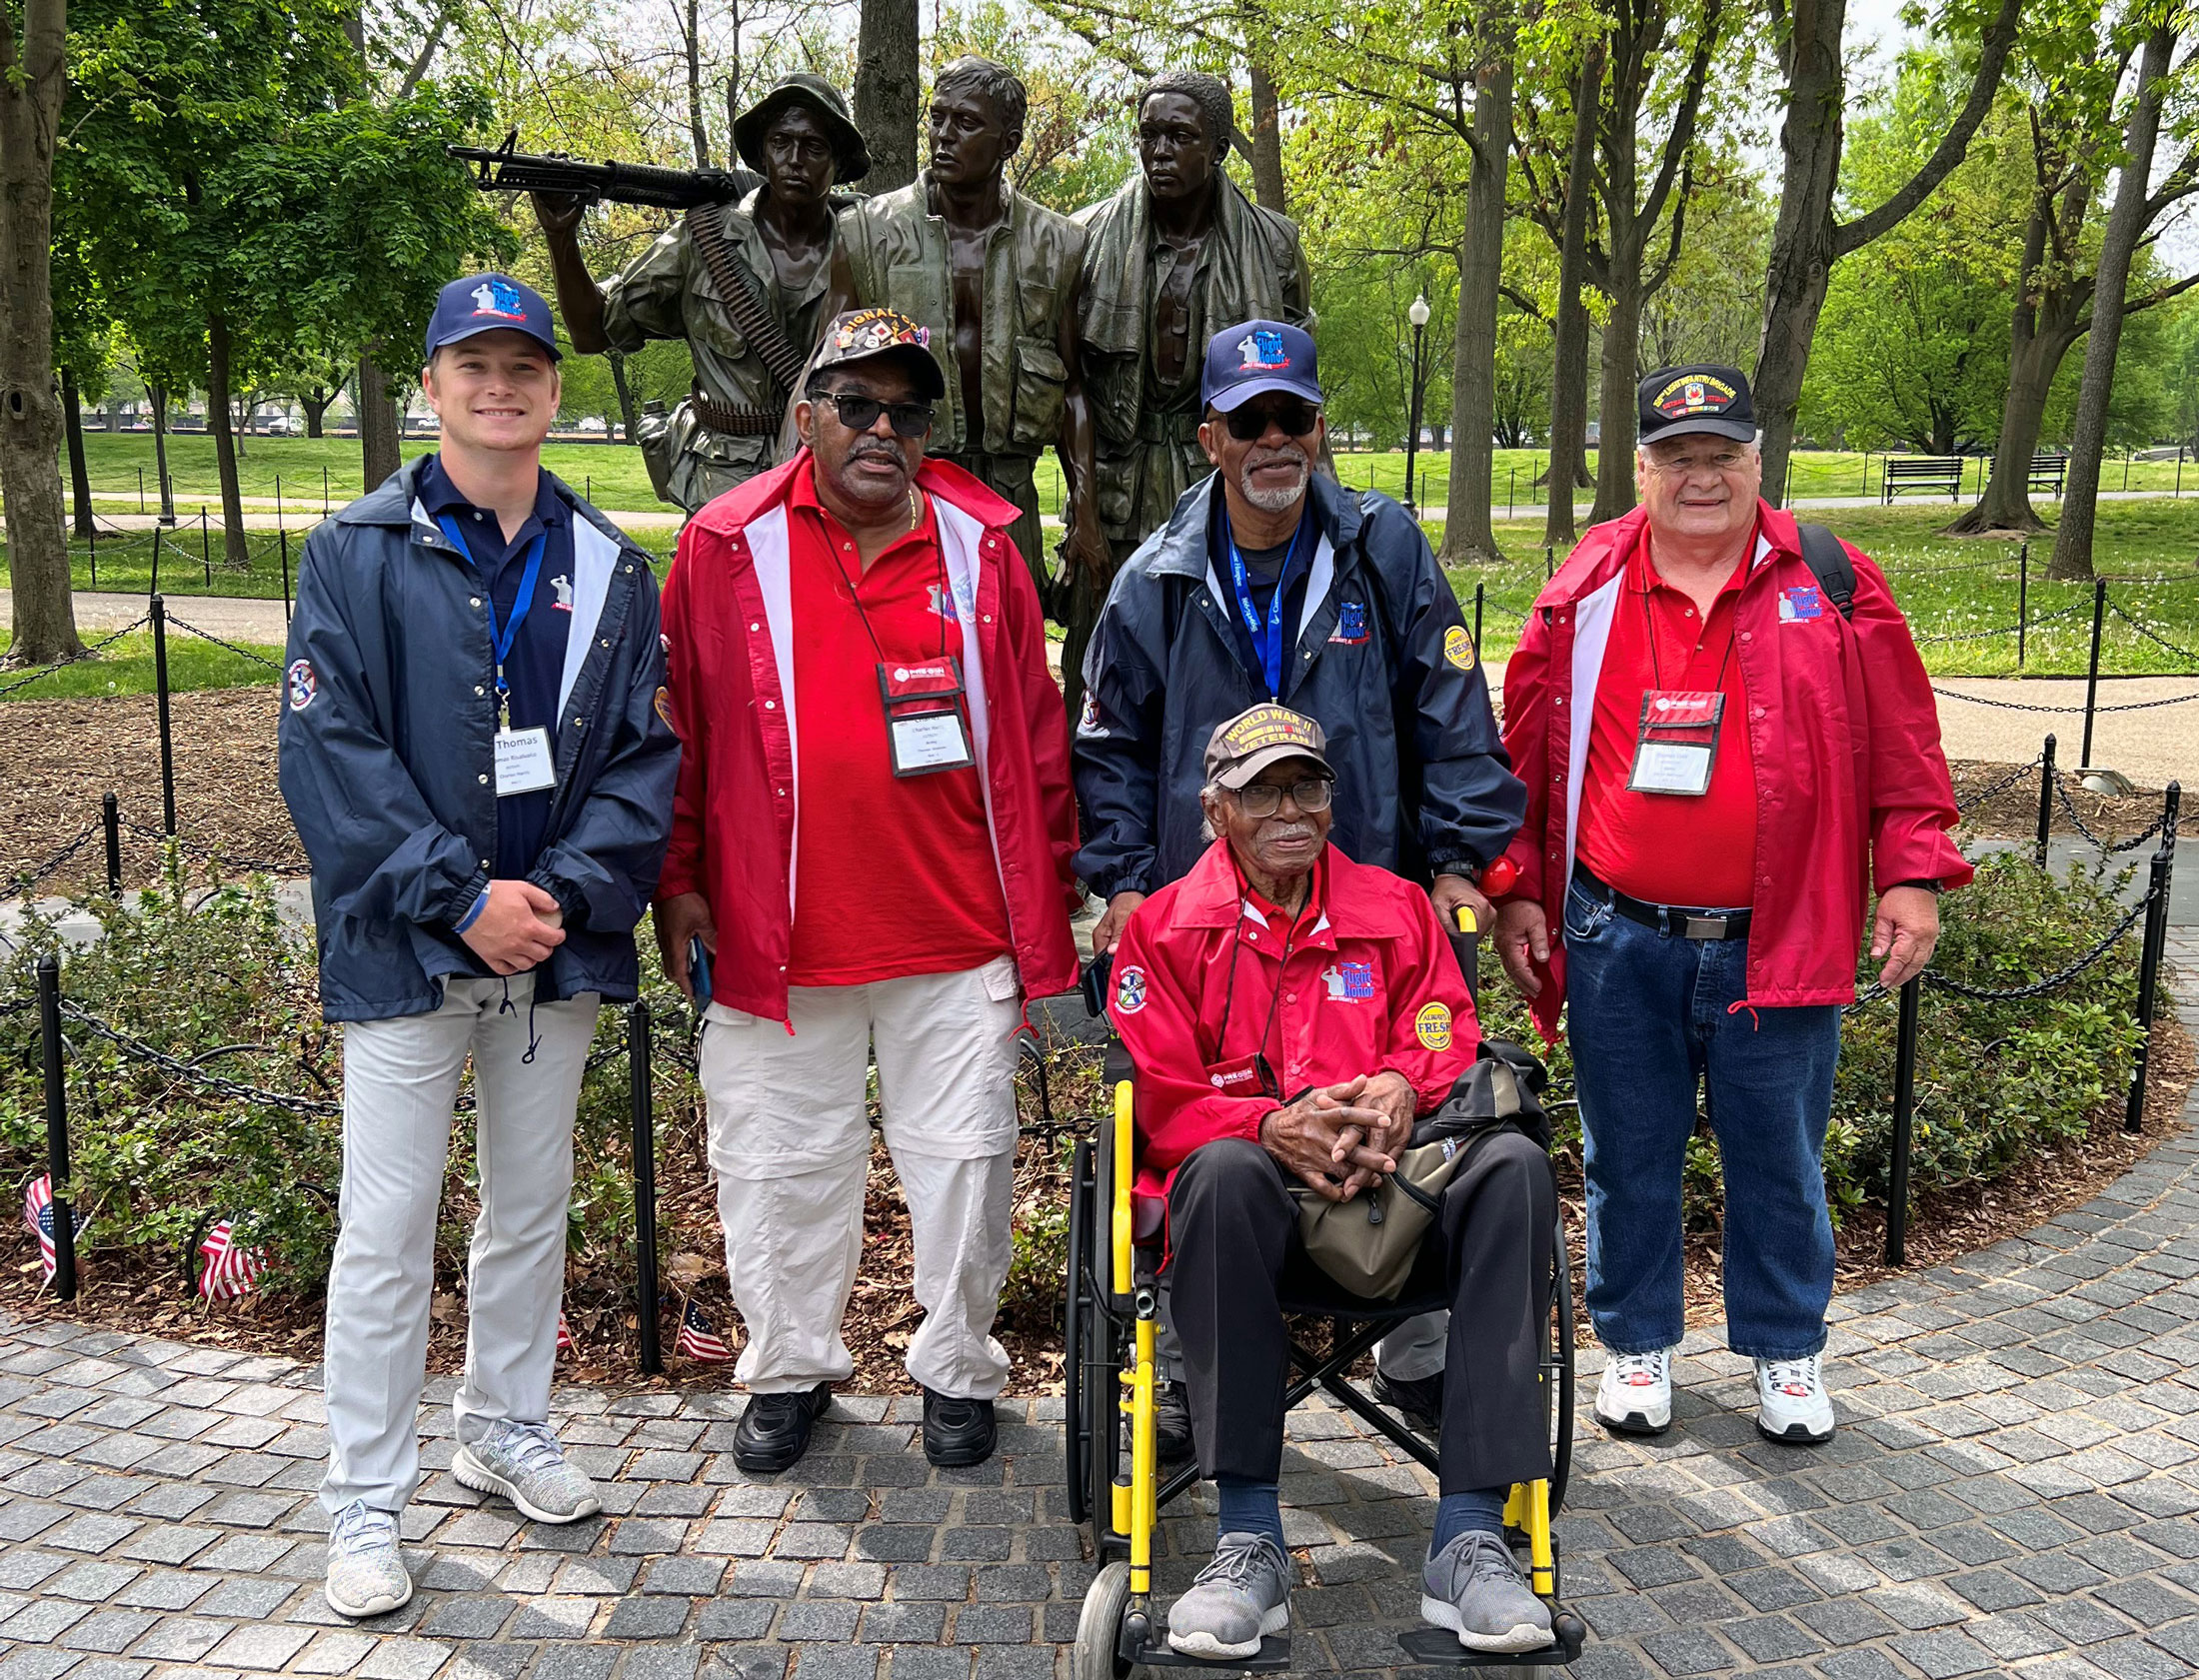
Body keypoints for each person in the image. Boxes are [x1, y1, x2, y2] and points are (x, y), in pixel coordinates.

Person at [278, 274, 680, 1620]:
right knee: (387, 1227)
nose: (498, 385)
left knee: (528, 1209)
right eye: (473, 364)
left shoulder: (611, 566)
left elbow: (641, 759)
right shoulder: (353, 550)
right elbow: (329, 755)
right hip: (408, 950)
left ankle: (502, 1426)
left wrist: (555, 895)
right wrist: (462, 899)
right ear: (433, 387)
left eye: (523, 364)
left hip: (551, 952)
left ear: (552, 389)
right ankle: (362, 1496)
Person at [1490, 363, 1969, 1447]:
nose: (1700, 476)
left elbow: (1903, 742)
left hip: (1780, 936)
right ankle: (1636, 1339)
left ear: (1758, 460)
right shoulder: (1583, 588)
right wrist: (1517, 888)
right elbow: (1521, 756)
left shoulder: (1834, 582)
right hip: (1617, 936)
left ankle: (1786, 1350)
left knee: (1778, 1155)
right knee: (1627, 1150)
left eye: (1723, 454)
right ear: (1641, 467)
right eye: (1677, 456)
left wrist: (1909, 873)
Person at [1076, 318, 1525, 1454]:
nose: (1273, 439)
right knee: (1207, 1138)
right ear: (1210, 438)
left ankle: (1419, 1354)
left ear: (1317, 429)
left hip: (1376, 903)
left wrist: (1463, 863)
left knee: (1406, 1096)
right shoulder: (1156, 579)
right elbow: (1108, 747)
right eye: (1248, 421)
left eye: (1293, 418)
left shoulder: (1384, 548)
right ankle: (1188, 1362)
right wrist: (1126, 884)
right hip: (1204, 915)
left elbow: (1452, 712)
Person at [651, 307, 1082, 1474]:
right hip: (774, 929)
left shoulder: (982, 545)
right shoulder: (724, 542)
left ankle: (957, 1366)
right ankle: (787, 1366)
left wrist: (1056, 887)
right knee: (777, 1166)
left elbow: (1036, 736)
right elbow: (682, 728)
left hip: (957, 929)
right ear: (807, 417)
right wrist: (678, 878)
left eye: (908, 410)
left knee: (967, 1162)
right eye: (858, 405)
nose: (884, 429)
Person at [1107, 705, 1557, 1659]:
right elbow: (1156, 1093)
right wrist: (1268, 1126)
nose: (1289, 808)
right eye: (1261, 788)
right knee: (1222, 1170)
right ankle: (1247, 1543)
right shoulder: (1163, 929)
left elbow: (1444, 1026)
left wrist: (1401, 1082)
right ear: (1216, 807)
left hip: (1394, 1189)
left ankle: (1471, 1538)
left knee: (1515, 1164)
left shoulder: (1394, 908)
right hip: (1253, 1210)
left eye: (1306, 786)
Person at [824, 56, 1107, 644]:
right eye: (937, 118)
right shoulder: (866, 234)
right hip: (905, 490)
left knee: (1010, 665)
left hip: (1010, 497)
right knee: (905, 661)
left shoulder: (1061, 245)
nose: (943, 136)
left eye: (966, 123)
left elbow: (1074, 387)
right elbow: (828, 381)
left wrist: (1085, 509)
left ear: (1009, 141)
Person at [1066, 71, 1314, 726]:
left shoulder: (1275, 246)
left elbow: (1299, 390)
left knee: (1223, 658)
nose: (1160, 152)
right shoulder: (1085, 240)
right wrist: (1082, 508)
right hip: (1120, 478)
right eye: (1149, 135)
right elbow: (1069, 388)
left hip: (1221, 475)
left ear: (1220, 147)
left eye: (1180, 136)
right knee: (1102, 666)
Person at [535, 73, 867, 512]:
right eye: (780, 142)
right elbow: (593, 332)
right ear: (763, 154)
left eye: (815, 147)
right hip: (723, 485)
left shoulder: (868, 243)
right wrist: (561, 239)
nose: (794, 159)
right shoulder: (702, 239)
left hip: (830, 479)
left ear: (839, 164)